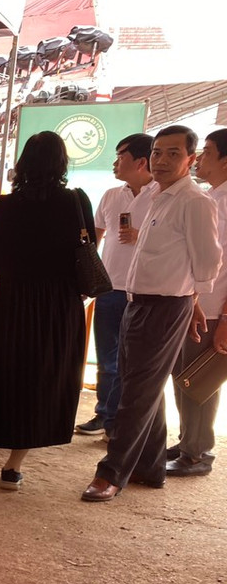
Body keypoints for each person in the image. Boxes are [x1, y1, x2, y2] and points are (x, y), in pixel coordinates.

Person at [82, 126, 221, 502]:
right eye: (158, 152)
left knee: (136, 392)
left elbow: (209, 262)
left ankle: (110, 474)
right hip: (136, 301)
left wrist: (193, 302)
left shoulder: (194, 201)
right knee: (141, 388)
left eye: (173, 153)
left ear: (190, 159)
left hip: (166, 306)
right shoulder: (159, 197)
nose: (162, 160)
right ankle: (150, 466)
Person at [0, 131, 90, 490]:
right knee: (42, 381)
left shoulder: (3, 206)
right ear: (62, 163)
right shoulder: (75, 202)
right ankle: (12, 468)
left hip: (11, 302)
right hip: (59, 307)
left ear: (23, 162)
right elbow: (85, 253)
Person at [77, 133, 155, 437]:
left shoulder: (162, 196)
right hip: (108, 289)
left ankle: (123, 422)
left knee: (132, 362)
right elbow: (93, 240)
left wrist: (142, 238)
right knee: (107, 358)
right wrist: (87, 279)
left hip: (143, 292)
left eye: (120, 156)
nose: (114, 163)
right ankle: (104, 415)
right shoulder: (111, 195)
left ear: (140, 161)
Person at [167, 127, 227, 476]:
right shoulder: (209, 197)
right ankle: (188, 440)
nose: (199, 158)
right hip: (192, 304)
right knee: (184, 378)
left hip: (213, 309)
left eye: (206, 151)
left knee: (200, 381)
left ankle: (198, 453)